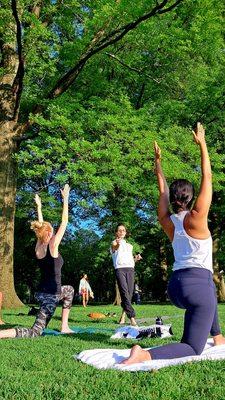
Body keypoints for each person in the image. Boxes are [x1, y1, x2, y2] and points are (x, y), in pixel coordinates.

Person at [122, 122, 225, 364]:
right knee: (192, 346)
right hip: (197, 288)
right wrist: (203, 145)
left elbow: (162, 193)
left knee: (209, 291)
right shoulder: (197, 218)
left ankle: (218, 336)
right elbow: (207, 176)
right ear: (190, 198)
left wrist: (158, 164)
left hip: (176, 287)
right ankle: (144, 354)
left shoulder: (168, 222)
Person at [0, 184, 74, 339]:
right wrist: (65, 199)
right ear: (48, 232)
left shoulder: (39, 246)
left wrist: (39, 207)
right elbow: (65, 221)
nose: (53, 229)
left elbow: (41, 226)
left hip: (40, 293)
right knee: (35, 332)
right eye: (50, 228)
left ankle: (64, 326)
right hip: (50, 296)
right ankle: (2, 334)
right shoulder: (53, 245)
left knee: (69, 290)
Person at [111, 224, 142, 326]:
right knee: (124, 292)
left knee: (129, 295)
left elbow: (129, 260)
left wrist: (135, 259)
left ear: (125, 232)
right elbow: (115, 247)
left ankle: (123, 316)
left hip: (130, 269)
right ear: (116, 232)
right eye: (119, 230)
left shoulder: (130, 246)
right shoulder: (114, 242)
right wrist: (118, 244)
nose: (121, 232)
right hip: (120, 270)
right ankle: (132, 319)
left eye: (123, 230)